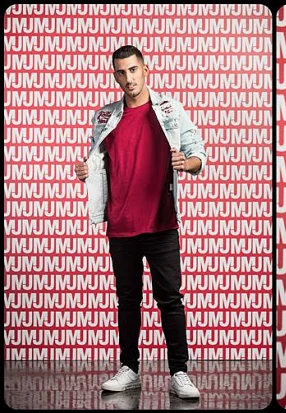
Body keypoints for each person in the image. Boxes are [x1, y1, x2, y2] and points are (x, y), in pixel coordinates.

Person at [74, 45, 206, 399]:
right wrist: (87, 170)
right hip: (120, 224)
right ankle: (129, 368)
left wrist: (187, 163)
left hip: (161, 222)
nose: (128, 78)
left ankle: (179, 372)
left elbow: (198, 154)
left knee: (170, 299)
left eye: (133, 70)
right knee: (128, 299)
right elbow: (96, 161)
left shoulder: (170, 110)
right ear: (115, 75)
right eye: (121, 72)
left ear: (145, 70)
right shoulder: (105, 117)